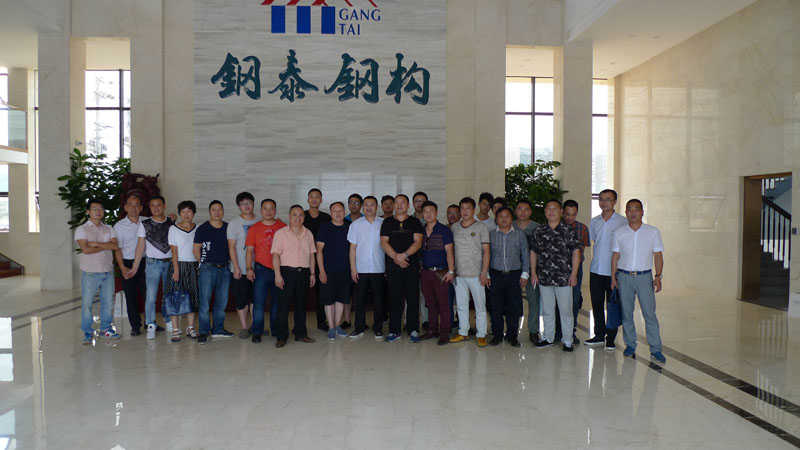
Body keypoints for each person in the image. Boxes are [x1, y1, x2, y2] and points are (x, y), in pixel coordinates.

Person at [611, 199, 666, 364]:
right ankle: (630, 345)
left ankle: (656, 349)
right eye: (629, 209)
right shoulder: (619, 232)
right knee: (627, 313)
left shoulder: (652, 232)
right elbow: (615, 256)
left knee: (649, 314)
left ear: (642, 212)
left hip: (644, 277)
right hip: (624, 277)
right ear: (626, 212)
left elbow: (658, 255)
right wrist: (613, 277)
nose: (633, 212)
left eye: (636, 209)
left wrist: (658, 276)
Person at [530, 199, 581, 352]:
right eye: (548, 209)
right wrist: (533, 272)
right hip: (544, 277)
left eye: (555, 209)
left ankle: (567, 341)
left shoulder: (569, 230)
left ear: (561, 212)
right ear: (545, 211)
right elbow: (533, 252)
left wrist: (574, 274)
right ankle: (548, 337)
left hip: (564, 278)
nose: (551, 212)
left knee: (566, 311)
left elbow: (576, 252)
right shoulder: (539, 231)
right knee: (547, 310)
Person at [585, 189, 628, 350]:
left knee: (612, 305)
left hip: (614, 272)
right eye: (601, 199)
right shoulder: (594, 221)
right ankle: (598, 335)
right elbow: (593, 242)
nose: (604, 202)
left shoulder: (622, 222)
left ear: (614, 202)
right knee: (596, 304)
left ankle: (611, 338)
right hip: (596, 269)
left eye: (608, 199)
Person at [380, 194, 424, 343]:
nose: (399, 205)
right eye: (397, 203)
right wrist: (396, 258)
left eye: (403, 202)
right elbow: (384, 242)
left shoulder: (415, 222)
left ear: (408, 205)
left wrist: (404, 255)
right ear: (393, 205)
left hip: (411, 266)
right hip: (393, 267)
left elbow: (418, 242)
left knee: (413, 298)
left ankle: (413, 329)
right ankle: (394, 330)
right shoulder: (387, 222)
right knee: (394, 298)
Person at [75, 199, 120, 344]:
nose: (98, 212)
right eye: (94, 209)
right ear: (88, 212)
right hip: (90, 272)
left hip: (107, 271)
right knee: (87, 304)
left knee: (108, 302)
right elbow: (86, 250)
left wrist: (95, 244)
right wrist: (106, 245)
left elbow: (115, 246)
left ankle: (105, 329)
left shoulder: (109, 228)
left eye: (101, 209)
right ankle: (88, 333)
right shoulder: (82, 229)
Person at [272, 205, 317, 347]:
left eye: (300, 215)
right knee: (283, 306)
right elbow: (275, 255)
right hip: (286, 272)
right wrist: (277, 275)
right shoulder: (281, 233)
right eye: (294, 215)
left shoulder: (308, 233)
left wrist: (312, 273)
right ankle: (281, 336)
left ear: (304, 217)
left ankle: (301, 334)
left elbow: (312, 255)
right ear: (289, 216)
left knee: (301, 305)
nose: (297, 218)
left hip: (304, 272)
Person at [130, 196, 174, 340]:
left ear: (164, 206)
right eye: (153, 205)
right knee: (151, 296)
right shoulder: (145, 224)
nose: (156, 208)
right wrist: (135, 266)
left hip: (169, 263)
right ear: (149, 208)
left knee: (168, 294)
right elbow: (140, 247)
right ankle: (150, 324)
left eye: (159, 205)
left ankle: (168, 320)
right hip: (152, 264)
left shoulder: (171, 222)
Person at [449, 197, 491, 347]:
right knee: (461, 305)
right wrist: (452, 271)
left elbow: (486, 252)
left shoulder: (481, 227)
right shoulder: (454, 227)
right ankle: (463, 332)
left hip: (477, 274)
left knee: (480, 306)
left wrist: (484, 273)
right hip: (459, 274)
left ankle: (481, 334)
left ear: (473, 210)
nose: (465, 211)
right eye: (462, 208)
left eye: (468, 208)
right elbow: (451, 251)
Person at [245, 199, 286, 343]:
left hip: (278, 270)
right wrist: (249, 268)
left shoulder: (282, 227)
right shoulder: (254, 228)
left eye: (271, 208)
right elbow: (249, 251)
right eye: (265, 208)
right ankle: (257, 331)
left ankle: (275, 329)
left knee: (277, 303)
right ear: (261, 210)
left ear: (275, 210)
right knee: (259, 303)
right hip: (261, 270)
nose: (268, 212)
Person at [488, 207, 529, 347]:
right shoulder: (491, 234)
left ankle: (512, 336)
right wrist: (486, 273)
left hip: (514, 275)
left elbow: (525, 254)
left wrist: (525, 274)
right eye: (501, 216)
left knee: (514, 307)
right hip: (495, 275)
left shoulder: (519, 234)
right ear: (496, 219)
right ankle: (497, 335)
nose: (504, 219)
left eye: (507, 216)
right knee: (496, 307)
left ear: (512, 219)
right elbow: (486, 255)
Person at [347, 196, 386, 339]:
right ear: (363, 207)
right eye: (366, 205)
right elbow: (352, 249)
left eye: (372, 205)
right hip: (361, 269)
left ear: (377, 207)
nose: (369, 208)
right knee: (359, 300)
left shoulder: (383, 223)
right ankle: (359, 327)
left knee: (379, 301)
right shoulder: (355, 225)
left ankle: (378, 328)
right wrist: (353, 269)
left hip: (379, 268)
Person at [193, 200, 231, 343]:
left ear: (223, 211)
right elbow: (196, 249)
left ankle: (218, 329)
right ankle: (203, 331)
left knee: (222, 301)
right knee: (205, 302)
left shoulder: (228, 227)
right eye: (214, 209)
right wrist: (203, 264)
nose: (217, 212)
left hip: (225, 269)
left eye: (219, 209)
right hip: (207, 269)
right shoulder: (203, 228)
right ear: (209, 212)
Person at [419, 201, 455, 345]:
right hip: (426, 272)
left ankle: (444, 333)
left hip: (441, 272)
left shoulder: (444, 230)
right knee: (430, 303)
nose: (428, 214)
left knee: (444, 304)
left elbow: (449, 251)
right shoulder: (421, 230)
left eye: (431, 211)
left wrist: (451, 271)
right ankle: (432, 330)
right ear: (422, 214)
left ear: (436, 213)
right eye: (425, 211)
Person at [554, 199, 590, 345]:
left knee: (573, 301)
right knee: (557, 300)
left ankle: (571, 332)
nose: (570, 217)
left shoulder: (582, 228)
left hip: (576, 269)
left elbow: (582, 250)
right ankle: (558, 332)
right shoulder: (555, 226)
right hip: (558, 269)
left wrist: (575, 269)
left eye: (573, 214)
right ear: (562, 212)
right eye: (567, 214)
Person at [165, 201, 200, 343]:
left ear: (193, 213)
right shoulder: (173, 229)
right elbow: (174, 251)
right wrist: (176, 270)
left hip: (193, 266)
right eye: (183, 212)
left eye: (189, 211)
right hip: (177, 265)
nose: (186, 214)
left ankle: (190, 327)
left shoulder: (198, 228)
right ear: (179, 213)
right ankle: (175, 329)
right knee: (175, 297)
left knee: (192, 296)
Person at [316, 202, 352, 340]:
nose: (337, 213)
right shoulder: (325, 227)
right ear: (330, 213)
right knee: (329, 300)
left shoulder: (349, 227)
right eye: (334, 211)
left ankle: (337, 326)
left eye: (340, 210)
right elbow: (319, 251)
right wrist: (321, 271)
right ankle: (331, 327)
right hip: (328, 270)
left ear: (344, 212)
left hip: (345, 270)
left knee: (341, 299)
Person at [227, 192, 259, 339]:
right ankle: (244, 327)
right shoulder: (234, 223)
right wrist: (236, 267)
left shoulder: (260, 221)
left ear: (253, 204)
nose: (246, 206)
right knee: (242, 299)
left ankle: (255, 326)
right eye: (243, 204)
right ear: (239, 206)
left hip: (258, 268)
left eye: (249, 203)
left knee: (255, 299)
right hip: (239, 268)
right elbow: (231, 247)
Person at [114, 194, 146, 336]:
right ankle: (135, 326)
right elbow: (117, 249)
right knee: (131, 295)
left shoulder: (147, 221)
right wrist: (122, 267)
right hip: (127, 262)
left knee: (148, 294)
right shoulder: (119, 226)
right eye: (130, 205)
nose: (134, 208)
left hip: (145, 262)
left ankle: (150, 323)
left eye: (137, 205)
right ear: (126, 207)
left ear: (141, 208)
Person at [304, 188, 332, 332]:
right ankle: (300, 325)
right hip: (303, 260)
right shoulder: (301, 216)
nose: (314, 199)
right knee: (302, 292)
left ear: (321, 200)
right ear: (308, 199)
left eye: (317, 197)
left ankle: (322, 321)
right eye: (311, 197)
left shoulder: (326, 218)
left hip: (322, 260)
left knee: (322, 292)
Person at [514, 200, 541, 344]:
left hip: (532, 269)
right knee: (512, 300)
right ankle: (512, 330)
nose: (523, 212)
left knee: (534, 300)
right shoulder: (509, 225)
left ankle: (533, 330)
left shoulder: (537, 228)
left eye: (526, 209)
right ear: (515, 211)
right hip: (513, 269)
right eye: (520, 209)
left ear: (530, 212)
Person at [411, 191, 429, 330]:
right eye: (417, 201)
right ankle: (409, 321)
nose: (419, 204)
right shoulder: (407, 221)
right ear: (412, 203)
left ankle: (426, 320)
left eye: (422, 201)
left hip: (426, 263)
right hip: (410, 262)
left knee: (425, 294)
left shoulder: (430, 221)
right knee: (409, 293)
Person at [445, 203, 460, 329]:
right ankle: (448, 324)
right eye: (450, 213)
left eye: (455, 213)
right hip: (446, 270)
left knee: (462, 300)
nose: (452, 216)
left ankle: (462, 325)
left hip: (462, 270)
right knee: (447, 299)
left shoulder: (464, 229)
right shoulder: (443, 229)